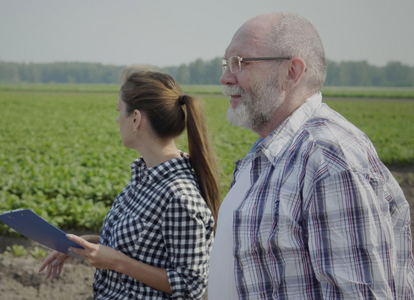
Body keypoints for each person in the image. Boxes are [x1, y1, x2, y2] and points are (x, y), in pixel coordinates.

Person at [208, 11, 414, 299]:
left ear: (291, 71)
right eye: (226, 63)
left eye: (239, 63)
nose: (225, 77)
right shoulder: (270, 151)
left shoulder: (329, 158)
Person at [40, 67, 220, 299]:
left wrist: (118, 262)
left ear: (135, 119)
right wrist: (86, 243)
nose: (117, 119)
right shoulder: (143, 177)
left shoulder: (179, 195)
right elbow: (141, 249)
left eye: (119, 111)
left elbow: (190, 286)